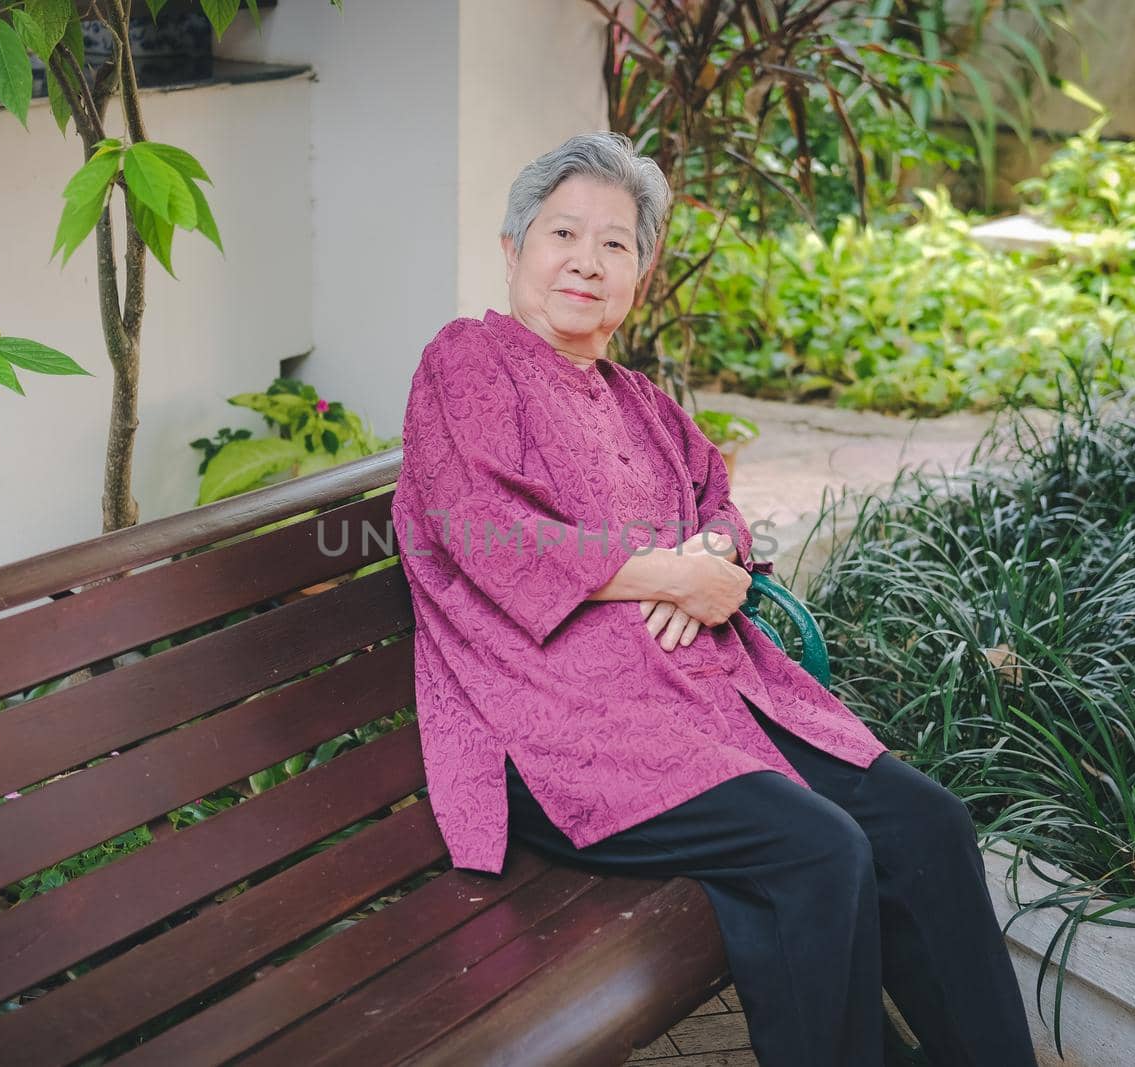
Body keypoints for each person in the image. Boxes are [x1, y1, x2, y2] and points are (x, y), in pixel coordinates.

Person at [389, 131, 1036, 1066]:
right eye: (563, 233)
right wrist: (670, 575)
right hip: (552, 726)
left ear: (640, 275)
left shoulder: (640, 399)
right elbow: (481, 531)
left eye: (616, 244)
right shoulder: (467, 363)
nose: (588, 260)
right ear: (513, 248)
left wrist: (714, 553)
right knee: (818, 851)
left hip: (706, 701)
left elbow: (719, 502)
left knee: (926, 823)